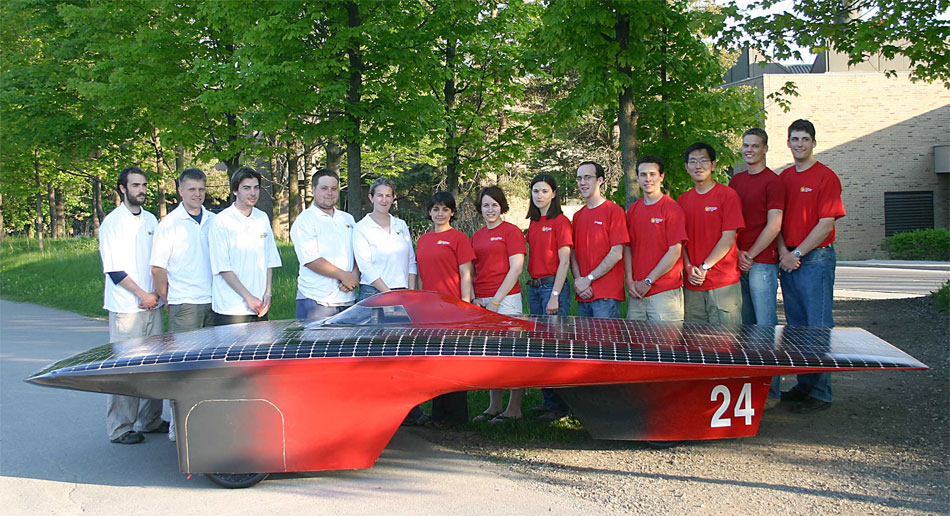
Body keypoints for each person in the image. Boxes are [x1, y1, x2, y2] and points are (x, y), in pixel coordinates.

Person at [776, 119, 846, 413]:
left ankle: (820, 391)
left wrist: (798, 253)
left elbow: (826, 222)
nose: (799, 144)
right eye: (794, 139)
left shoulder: (825, 177)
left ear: (813, 143)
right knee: (797, 328)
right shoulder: (784, 178)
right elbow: (775, 221)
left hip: (815, 258)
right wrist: (783, 252)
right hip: (789, 259)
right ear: (788, 142)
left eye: (805, 139)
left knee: (817, 326)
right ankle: (804, 384)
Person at [98, 166, 166, 444]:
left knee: (156, 365)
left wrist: (158, 294)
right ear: (123, 188)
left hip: (154, 304)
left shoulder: (151, 220)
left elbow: (160, 260)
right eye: (135, 185)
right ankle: (121, 427)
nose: (142, 190)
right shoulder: (113, 223)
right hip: (128, 307)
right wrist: (141, 294)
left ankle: (150, 419)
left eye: (144, 185)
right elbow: (114, 271)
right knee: (126, 368)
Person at [150, 167, 215, 441]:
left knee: (209, 367)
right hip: (184, 304)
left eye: (201, 189)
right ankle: (178, 426)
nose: (197, 194)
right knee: (184, 366)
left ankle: (205, 421)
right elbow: (157, 268)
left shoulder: (213, 220)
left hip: (214, 302)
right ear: (180, 191)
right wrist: (168, 299)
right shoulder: (170, 224)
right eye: (191, 189)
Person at [728, 129, 784, 406]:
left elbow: (774, 224)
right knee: (745, 327)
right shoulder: (736, 181)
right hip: (739, 261)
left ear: (765, 149)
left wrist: (750, 253)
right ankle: (749, 387)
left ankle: (770, 390)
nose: (749, 150)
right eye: (746, 145)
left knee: (765, 326)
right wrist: (738, 252)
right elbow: (731, 222)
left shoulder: (773, 182)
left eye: (755, 146)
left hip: (762, 263)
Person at [415, 192, 475, 428]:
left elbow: (466, 273)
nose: (440, 214)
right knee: (433, 363)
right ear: (429, 212)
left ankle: (456, 416)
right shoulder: (423, 240)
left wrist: (465, 304)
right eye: (436, 209)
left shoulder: (459, 238)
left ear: (452, 213)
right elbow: (421, 275)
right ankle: (437, 413)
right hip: (429, 311)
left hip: (452, 308)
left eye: (445, 210)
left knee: (454, 362)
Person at [470, 186, 527, 424]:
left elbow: (516, 268)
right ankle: (494, 407)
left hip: (506, 300)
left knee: (513, 355)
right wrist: (475, 297)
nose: (490, 209)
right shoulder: (477, 235)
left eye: (494, 204)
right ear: (480, 208)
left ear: (501, 206)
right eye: (485, 205)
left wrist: (496, 300)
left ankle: (514, 408)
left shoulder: (511, 232)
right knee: (492, 356)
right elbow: (471, 270)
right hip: (482, 300)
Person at [677, 143, 745, 324]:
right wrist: (689, 266)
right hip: (693, 285)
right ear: (686, 167)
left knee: (725, 345)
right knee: (694, 344)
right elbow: (680, 242)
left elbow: (728, 238)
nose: (698, 166)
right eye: (692, 161)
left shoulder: (728, 195)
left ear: (713, 164)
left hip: (723, 284)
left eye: (703, 160)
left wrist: (705, 267)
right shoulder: (682, 200)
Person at [524, 174, 573, 422]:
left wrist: (554, 294)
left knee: (556, 347)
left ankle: (562, 407)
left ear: (553, 193)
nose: (539, 195)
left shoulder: (560, 222)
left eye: (544, 191)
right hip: (533, 288)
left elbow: (564, 261)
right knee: (541, 347)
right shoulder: (533, 223)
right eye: (535, 191)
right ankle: (548, 401)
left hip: (552, 289)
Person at [209, 167, 281, 325]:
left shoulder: (262, 218)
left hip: (260, 306)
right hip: (231, 308)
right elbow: (223, 268)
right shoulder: (221, 221)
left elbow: (269, 260)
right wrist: (248, 297)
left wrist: (268, 293)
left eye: (256, 188)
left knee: (260, 350)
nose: (253, 193)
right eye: (246, 188)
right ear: (235, 190)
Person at [623, 156, 687, 321]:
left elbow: (675, 251)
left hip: (664, 292)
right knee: (636, 345)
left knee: (664, 345)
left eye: (652, 174)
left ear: (661, 176)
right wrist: (630, 280)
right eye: (643, 175)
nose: (648, 179)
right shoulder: (633, 210)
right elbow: (628, 247)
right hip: (637, 292)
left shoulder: (671, 209)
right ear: (637, 178)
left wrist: (649, 280)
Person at [290, 169, 359, 318]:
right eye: (324, 188)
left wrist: (353, 276)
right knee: (318, 342)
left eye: (334, 189)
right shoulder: (305, 221)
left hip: (348, 299)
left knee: (349, 342)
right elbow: (311, 260)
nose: (329, 193)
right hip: (316, 301)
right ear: (313, 190)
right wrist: (343, 276)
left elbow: (360, 252)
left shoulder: (348, 219)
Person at [571, 161, 628, 318]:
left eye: (587, 177)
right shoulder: (578, 216)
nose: (582, 182)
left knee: (604, 342)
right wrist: (579, 281)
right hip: (583, 293)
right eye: (579, 178)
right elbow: (573, 252)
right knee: (583, 342)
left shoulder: (614, 212)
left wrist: (588, 279)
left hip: (606, 295)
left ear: (600, 180)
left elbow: (616, 253)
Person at [353, 177, 417, 301]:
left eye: (388, 196)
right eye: (379, 195)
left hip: (402, 292)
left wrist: (410, 292)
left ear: (393, 198)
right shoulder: (361, 227)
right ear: (371, 198)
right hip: (373, 293)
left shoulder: (401, 225)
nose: (384, 200)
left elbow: (411, 261)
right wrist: (389, 294)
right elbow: (365, 266)